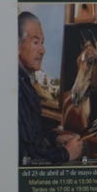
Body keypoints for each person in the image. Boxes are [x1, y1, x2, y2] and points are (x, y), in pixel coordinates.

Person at [18, 12, 82, 165]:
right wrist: (66, 153)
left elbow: (31, 132)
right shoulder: (17, 88)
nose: (43, 50)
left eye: (43, 43)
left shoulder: (24, 81)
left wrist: (54, 137)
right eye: (36, 42)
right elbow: (26, 156)